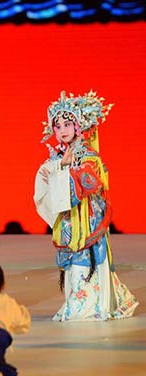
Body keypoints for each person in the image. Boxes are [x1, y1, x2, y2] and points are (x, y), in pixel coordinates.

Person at [34, 90, 138, 321]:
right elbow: (44, 182)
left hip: (88, 223)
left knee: (86, 265)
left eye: (67, 124)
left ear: (79, 127)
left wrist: (68, 171)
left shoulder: (91, 156)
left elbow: (90, 184)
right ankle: (76, 305)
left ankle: (88, 308)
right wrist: (59, 167)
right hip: (70, 224)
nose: (62, 130)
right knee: (73, 268)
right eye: (58, 125)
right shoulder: (57, 158)